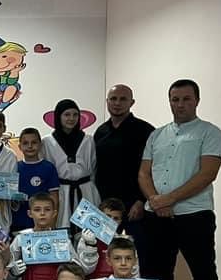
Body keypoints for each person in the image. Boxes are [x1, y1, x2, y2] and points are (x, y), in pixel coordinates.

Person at [138, 79, 221, 280]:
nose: (180, 104)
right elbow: (144, 173)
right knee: (157, 273)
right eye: (175, 99)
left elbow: (207, 174)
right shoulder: (157, 135)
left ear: (197, 100)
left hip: (194, 215)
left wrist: (170, 199)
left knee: (204, 275)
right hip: (156, 215)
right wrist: (155, 199)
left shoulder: (210, 133)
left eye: (186, 99)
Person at [8, 193, 98, 280]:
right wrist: (13, 273)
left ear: (54, 213)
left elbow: (79, 270)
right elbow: (7, 278)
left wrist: (89, 245)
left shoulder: (62, 240)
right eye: (37, 210)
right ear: (30, 213)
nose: (42, 213)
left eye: (47, 210)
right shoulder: (21, 239)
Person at [93, 85, 154, 237]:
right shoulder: (100, 132)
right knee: (104, 248)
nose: (117, 103)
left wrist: (141, 200)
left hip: (134, 204)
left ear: (131, 102)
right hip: (105, 205)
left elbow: (154, 170)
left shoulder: (146, 131)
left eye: (123, 99)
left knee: (136, 248)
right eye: (113, 99)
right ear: (107, 101)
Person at [42, 99, 100, 231]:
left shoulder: (88, 140)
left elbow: (93, 167)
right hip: (61, 191)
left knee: (88, 232)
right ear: (59, 116)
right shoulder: (47, 142)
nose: (71, 118)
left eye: (75, 115)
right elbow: (46, 170)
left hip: (86, 191)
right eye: (67, 114)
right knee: (62, 230)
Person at [12, 127, 59, 233]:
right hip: (19, 222)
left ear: (40, 145)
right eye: (25, 143)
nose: (30, 146)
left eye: (34, 142)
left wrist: (52, 223)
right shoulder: (14, 167)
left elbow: (54, 197)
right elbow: (10, 196)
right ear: (19, 147)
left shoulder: (48, 167)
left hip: (43, 224)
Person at [75, 198, 126, 280]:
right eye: (107, 216)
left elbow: (133, 271)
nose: (111, 221)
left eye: (116, 218)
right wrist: (90, 245)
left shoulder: (124, 242)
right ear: (99, 216)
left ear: (120, 221)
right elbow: (85, 270)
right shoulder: (85, 238)